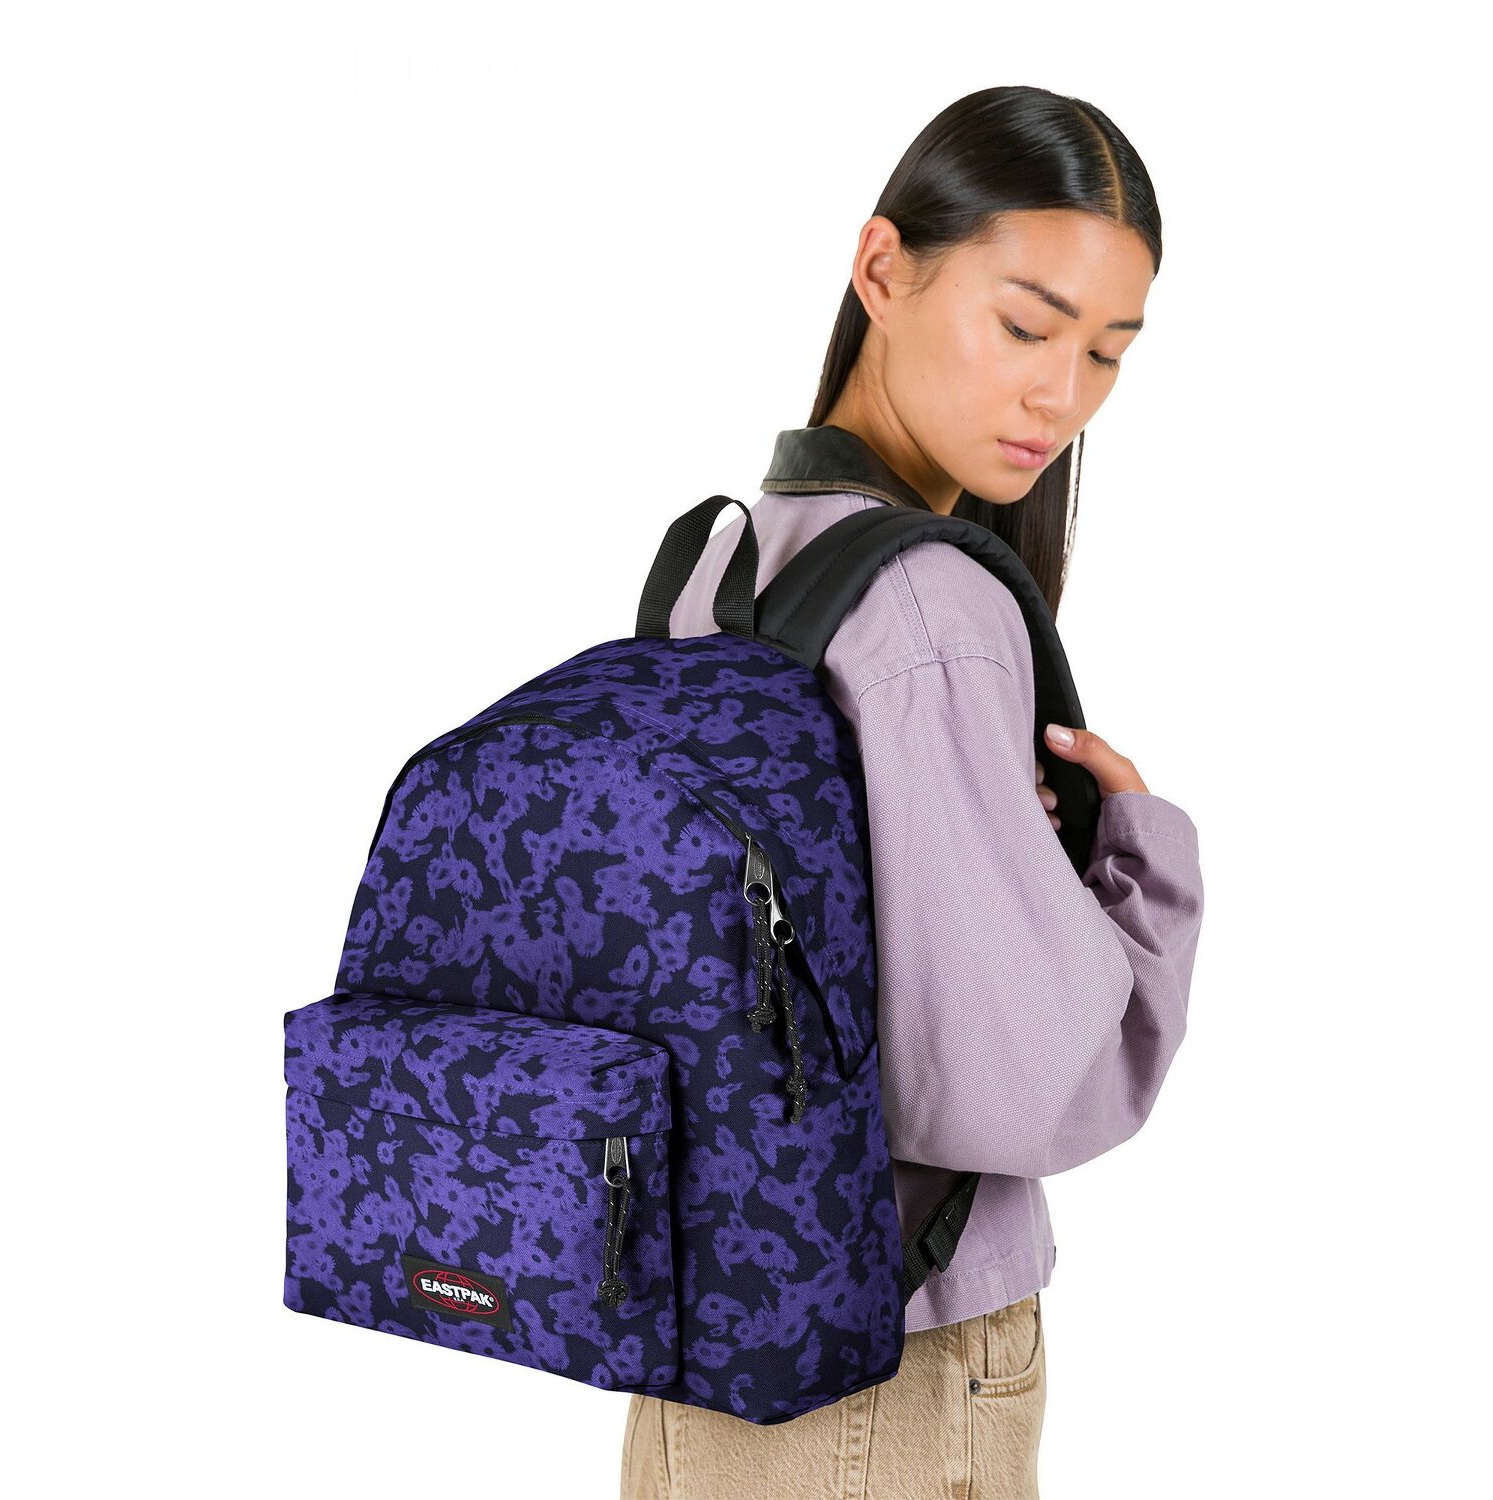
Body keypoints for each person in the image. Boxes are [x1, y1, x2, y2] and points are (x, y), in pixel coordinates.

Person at [620, 84, 1205, 1500]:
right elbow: (1014, 1082)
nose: (1063, 397)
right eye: (1028, 326)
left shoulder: (712, 563)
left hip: (696, 1326)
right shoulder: (934, 609)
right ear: (883, 269)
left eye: (1108, 353)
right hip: (894, 1357)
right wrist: (1141, 867)